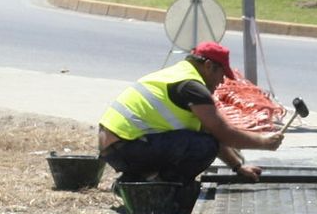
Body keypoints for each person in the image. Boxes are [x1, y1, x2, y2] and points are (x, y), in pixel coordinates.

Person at [97, 42, 282, 189]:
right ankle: (165, 187)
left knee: (204, 141)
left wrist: (237, 167)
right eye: (221, 74)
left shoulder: (178, 74)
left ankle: (136, 180)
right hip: (127, 147)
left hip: (117, 148)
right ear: (209, 66)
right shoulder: (191, 87)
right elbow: (223, 133)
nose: (221, 82)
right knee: (203, 146)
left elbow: (212, 133)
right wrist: (264, 142)